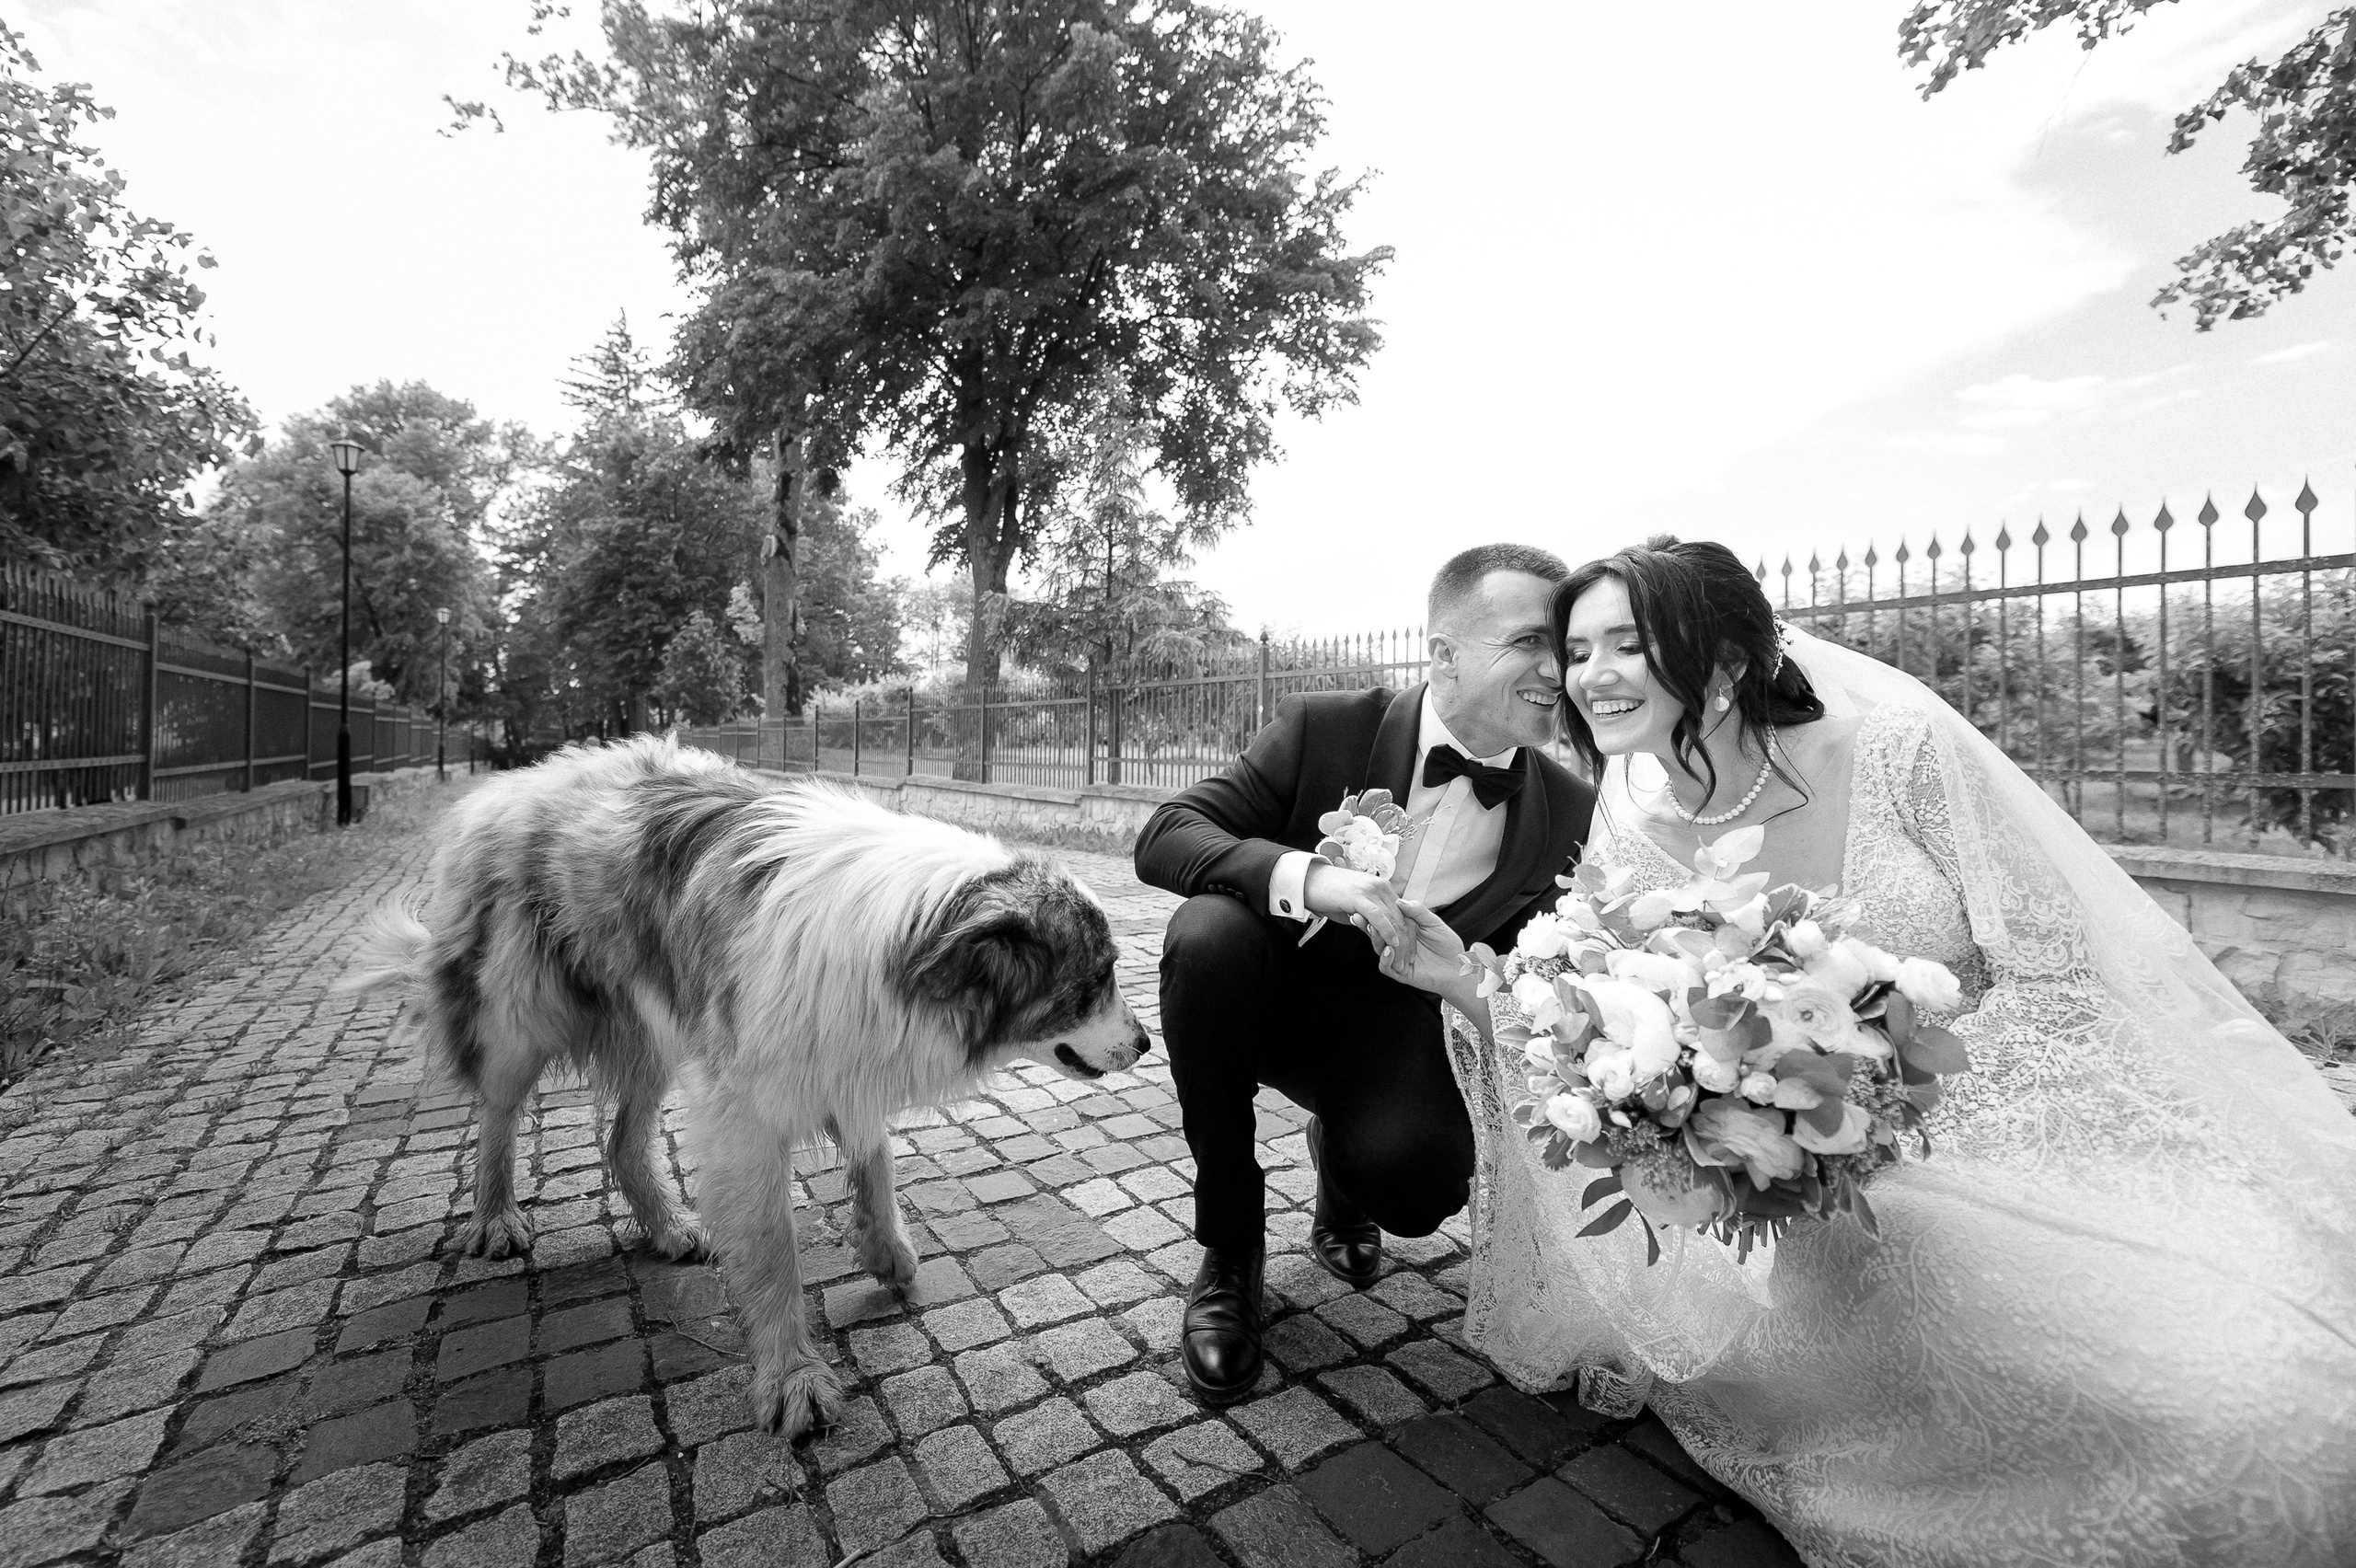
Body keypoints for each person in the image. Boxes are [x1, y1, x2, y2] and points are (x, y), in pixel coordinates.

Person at [1380, 536, 2356, 1565]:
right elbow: (1596, 1006)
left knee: (2260, 1391)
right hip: (1792, 1183)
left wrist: (1877, 1114)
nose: (1590, 676)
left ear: (1723, 663)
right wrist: (1469, 983)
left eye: (1628, 644)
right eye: (1578, 652)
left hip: (1988, 1135)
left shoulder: (1896, 752)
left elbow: (2054, 973)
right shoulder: (1631, 801)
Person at [1134, 544, 1598, 1404]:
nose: (1557, 670)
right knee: (1205, 936)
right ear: (1445, 654)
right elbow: (1167, 831)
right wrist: (1310, 877)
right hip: (1260, 993)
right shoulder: (1327, 725)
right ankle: (1230, 1251)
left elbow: (1539, 980)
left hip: (1396, 1026)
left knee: (1418, 1188)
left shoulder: (1570, 809)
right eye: (1530, 642)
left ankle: (1343, 1164)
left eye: (1563, 648)